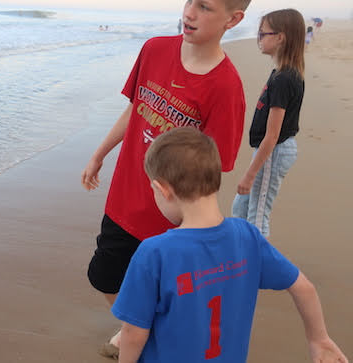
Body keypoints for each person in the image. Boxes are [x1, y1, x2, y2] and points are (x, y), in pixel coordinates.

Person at [81, 0, 256, 357]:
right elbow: (134, 109)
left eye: (205, 7)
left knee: (157, 286)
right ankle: (137, 329)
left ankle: (140, 335)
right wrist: (100, 153)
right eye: (189, 0)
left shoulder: (225, 87)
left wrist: (197, 227)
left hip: (170, 217)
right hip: (125, 194)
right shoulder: (154, 49)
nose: (189, 13)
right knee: (104, 275)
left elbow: (213, 169)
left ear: (233, 19)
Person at [111, 127, 348, 363]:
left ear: (162, 190)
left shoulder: (154, 253)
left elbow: (133, 333)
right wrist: (318, 338)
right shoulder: (248, 236)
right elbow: (303, 287)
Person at [232, 9, 306, 237]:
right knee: (240, 208)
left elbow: (272, 135)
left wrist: (250, 174)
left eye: (263, 34)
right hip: (269, 151)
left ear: (280, 37)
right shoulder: (280, 74)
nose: (259, 38)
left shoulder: (284, 79)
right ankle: (242, 250)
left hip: (274, 151)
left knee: (257, 215)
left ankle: (256, 257)